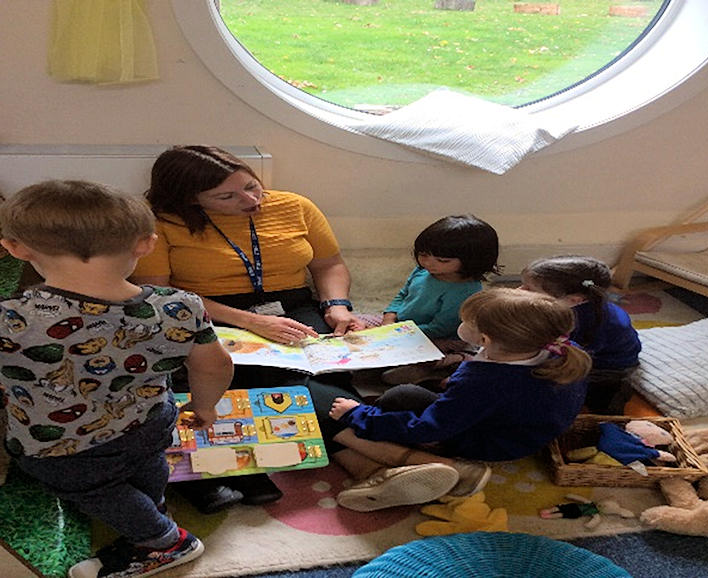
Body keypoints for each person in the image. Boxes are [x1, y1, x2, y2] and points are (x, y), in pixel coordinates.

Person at [0, 181, 233, 578]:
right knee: (147, 462)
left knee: (91, 489)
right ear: (146, 244)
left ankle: (165, 543)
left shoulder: (11, 319)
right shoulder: (180, 305)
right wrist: (206, 404)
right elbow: (215, 365)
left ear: (15, 248)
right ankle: (152, 504)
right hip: (150, 419)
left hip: (61, 443)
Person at [131, 145, 368, 513]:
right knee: (269, 374)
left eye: (252, 186)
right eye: (226, 196)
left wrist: (336, 306)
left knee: (322, 363)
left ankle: (368, 460)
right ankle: (377, 452)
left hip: (291, 303)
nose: (250, 200)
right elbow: (161, 294)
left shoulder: (295, 205)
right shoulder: (159, 222)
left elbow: (329, 264)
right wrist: (251, 322)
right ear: (189, 200)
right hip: (211, 310)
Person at [329, 287, 592, 509]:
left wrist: (359, 415)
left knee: (397, 398)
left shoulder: (485, 382)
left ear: (485, 339)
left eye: (468, 322)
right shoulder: (562, 351)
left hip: (491, 445)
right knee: (408, 395)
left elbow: (430, 427)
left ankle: (422, 462)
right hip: (523, 431)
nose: (462, 324)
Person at [379, 214, 500, 386]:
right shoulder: (423, 271)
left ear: (470, 261)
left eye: (442, 260)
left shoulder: (465, 292)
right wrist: (389, 318)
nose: (429, 263)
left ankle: (437, 367)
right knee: (356, 326)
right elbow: (402, 295)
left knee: (432, 353)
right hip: (402, 326)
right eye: (424, 255)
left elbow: (441, 328)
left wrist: (399, 334)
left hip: (440, 336)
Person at [520, 255, 642, 414]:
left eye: (530, 289)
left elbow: (562, 352)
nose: (520, 291)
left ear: (574, 300)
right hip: (594, 350)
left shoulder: (581, 321)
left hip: (609, 367)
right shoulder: (574, 306)